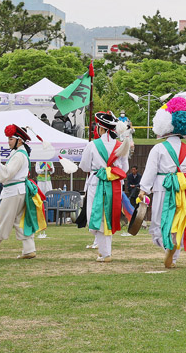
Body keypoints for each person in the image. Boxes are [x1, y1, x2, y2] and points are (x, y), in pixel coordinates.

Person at [137, 98, 186, 268]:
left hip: (163, 186)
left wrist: (143, 190)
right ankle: (174, 256)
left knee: (159, 222)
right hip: (182, 188)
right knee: (179, 221)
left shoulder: (158, 148)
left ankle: (166, 246)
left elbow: (150, 170)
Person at [79, 111, 131, 263]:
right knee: (109, 216)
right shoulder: (120, 145)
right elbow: (125, 168)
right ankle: (104, 251)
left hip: (97, 183)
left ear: (100, 128)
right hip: (114, 184)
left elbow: (84, 166)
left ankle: (105, 253)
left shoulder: (93, 145)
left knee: (96, 216)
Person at [0, 124, 44, 259]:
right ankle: (29, 250)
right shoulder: (20, 153)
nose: (8, 141)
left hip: (13, 192)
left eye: (10, 139)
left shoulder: (19, 155)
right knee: (20, 221)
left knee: (1, 221)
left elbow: (8, 173)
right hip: (19, 191)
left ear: (19, 140)